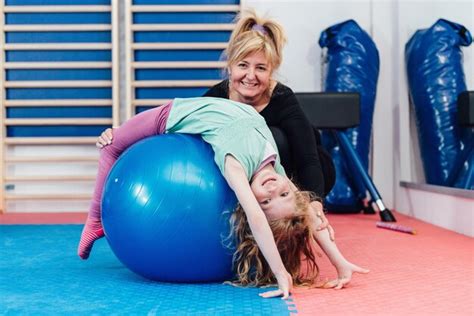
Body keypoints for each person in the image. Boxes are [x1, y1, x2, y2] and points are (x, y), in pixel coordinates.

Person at [78, 97, 368, 299]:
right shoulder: (276, 169)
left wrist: (281, 272)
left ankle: (93, 224)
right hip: (176, 110)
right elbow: (310, 214)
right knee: (110, 145)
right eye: (283, 192)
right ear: (293, 188)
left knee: (110, 147)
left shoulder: (235, 166)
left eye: (266, 201)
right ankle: (95, 218)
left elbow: (255, 219)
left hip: (173, 118)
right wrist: (339, 260)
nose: (272, 189)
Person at [96, 10, 336, 224]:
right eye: (243, 65)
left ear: (271, 71)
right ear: (230, 66)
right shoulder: (216, 98)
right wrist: (119, 135)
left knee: (274, 139)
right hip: (261, 177)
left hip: (306, 169)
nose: (251, 76)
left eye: (261, 68)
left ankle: (279, 214)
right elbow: (173, 127)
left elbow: (308, 160)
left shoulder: (283, 98)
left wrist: (314, 203)